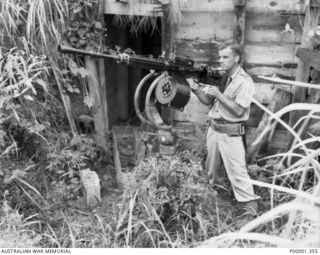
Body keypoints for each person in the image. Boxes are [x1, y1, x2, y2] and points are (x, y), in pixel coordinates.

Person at [186, 43, 260, 217]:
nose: (221, 60)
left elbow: (239, 110)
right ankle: (218, 203)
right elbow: (207, 101)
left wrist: (219, 94)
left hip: (231, 133)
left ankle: (250, 211)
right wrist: (195, 88)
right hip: (214, 130)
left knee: (238, 172)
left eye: (225, 57)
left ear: (236, 58)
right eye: (220, 57)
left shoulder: (245, 82)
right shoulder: (221, 77)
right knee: (212, 171)